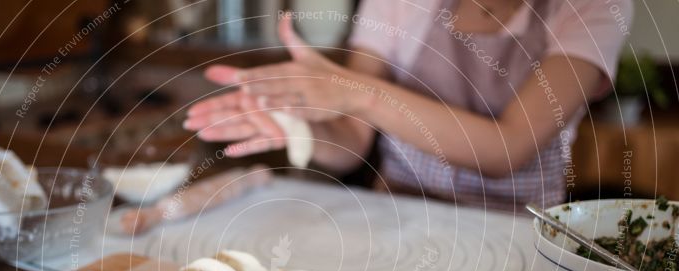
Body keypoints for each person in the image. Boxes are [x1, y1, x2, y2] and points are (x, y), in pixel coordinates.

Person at [184, 0, 634, 211]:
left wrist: (354, 91)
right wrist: (301, 130)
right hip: (395, 217)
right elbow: (352, 141)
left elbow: (507, 148)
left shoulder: (593, 6)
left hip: (518, 230)